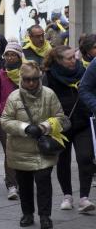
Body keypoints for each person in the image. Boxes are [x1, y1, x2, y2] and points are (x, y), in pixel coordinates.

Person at [1, 61, 70, 229]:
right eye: (27, 79)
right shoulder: (14, 97)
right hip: (20, 149)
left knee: (43, 181)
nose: (31, 83)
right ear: (21, 79)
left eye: (34, 79)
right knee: (24, 184)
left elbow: (61, 118)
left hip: (43, 149)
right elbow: (5, 120)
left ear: (39, 78)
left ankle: (45, 216)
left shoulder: (49, 94)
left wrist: (44, 127)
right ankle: (27, 214)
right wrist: (25, 128)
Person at [42, 46, 96, 212]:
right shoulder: (49, 76)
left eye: (74, 56)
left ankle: (84, 198)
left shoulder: (84, 71)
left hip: (82, 122)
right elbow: (45, 101)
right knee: (63, 161)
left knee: (85, 157)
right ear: (58, 60)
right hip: (61, 126)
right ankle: (67, 196)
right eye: (69, 58)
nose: (74, 60)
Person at [0, 41, 24, 200]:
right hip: (3, 120)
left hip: (23, 119)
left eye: (13, 55)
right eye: (8, 54)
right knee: (9, 151)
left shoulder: (26, 75)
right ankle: (11, 184)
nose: (10, 58)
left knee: (22, 151)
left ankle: (21, 180)